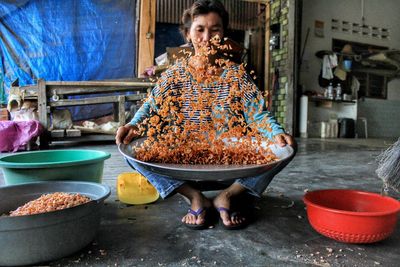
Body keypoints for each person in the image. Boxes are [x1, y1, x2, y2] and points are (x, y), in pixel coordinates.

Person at [116, 0, 295, 230]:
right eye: (200, 29)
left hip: (230, 160)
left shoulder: (236, 74)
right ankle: (193, 196)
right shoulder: (176, 74)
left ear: (224, 34)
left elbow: (257, 114)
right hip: (184, 161)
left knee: (287, 148)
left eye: (215, 29)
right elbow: (151, 107)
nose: (207, 37)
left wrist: (276, 133)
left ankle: (229, 195)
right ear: (188, 34)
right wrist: (134, 124)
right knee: (128, 151)